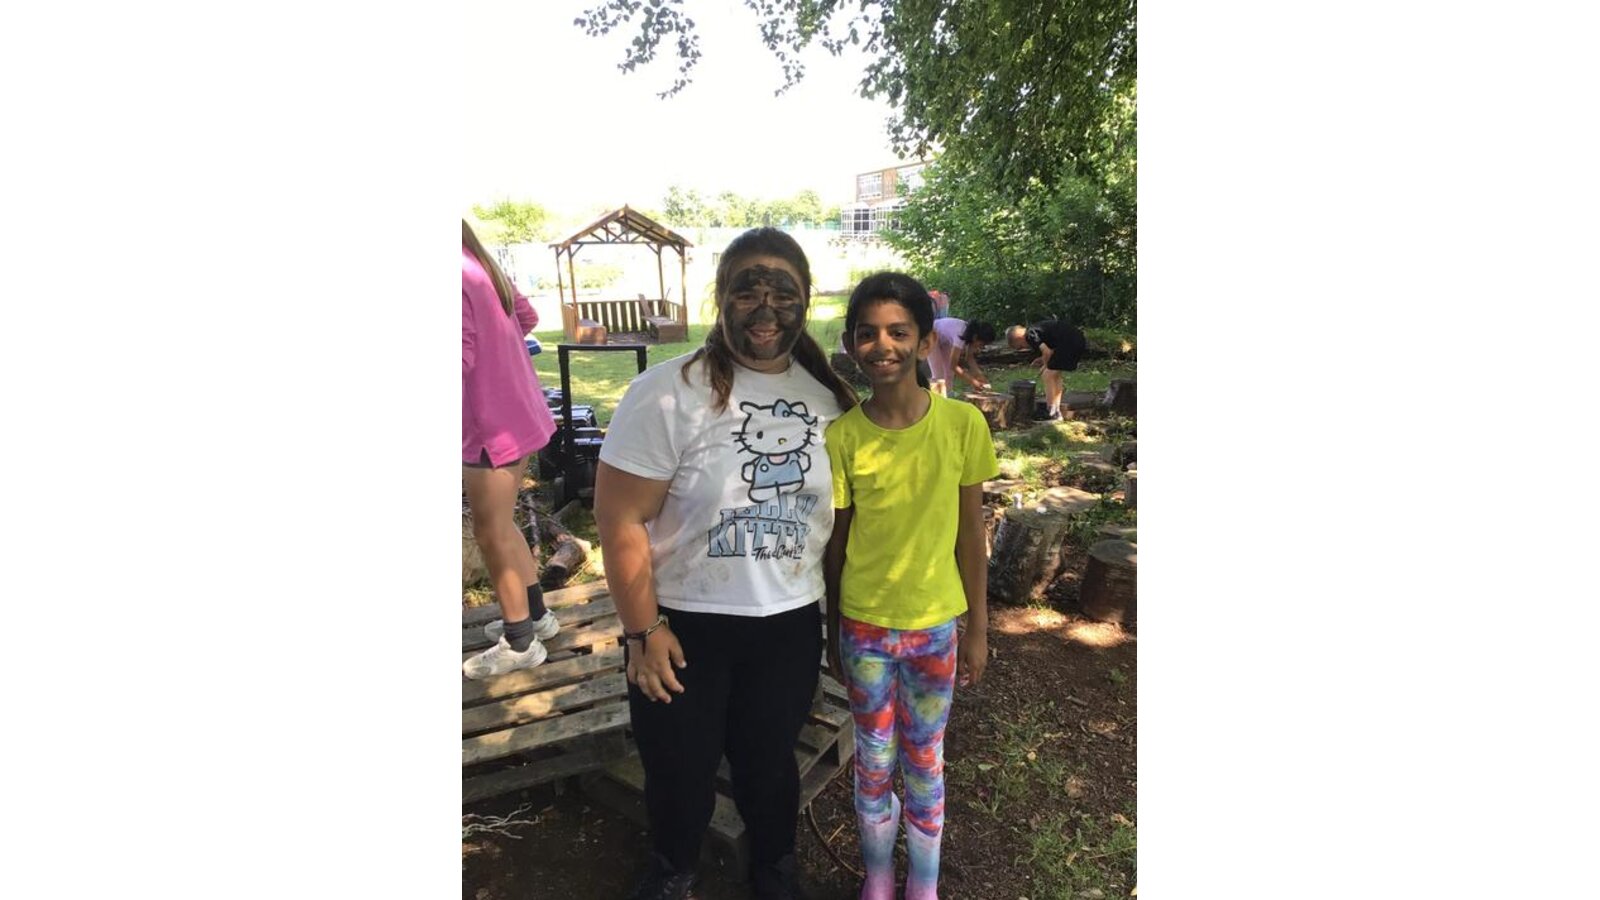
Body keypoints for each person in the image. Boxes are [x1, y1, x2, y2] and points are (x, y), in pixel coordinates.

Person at [593, 228, 859, 900]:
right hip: (683, 627)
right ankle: (673, 872)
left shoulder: (830, 402)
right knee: (679, 768)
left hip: (787, 625)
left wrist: (841, 625)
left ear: (806, 301)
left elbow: (844, 524)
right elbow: (620, 518)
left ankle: (774, 870)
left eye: (783, 293)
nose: (766, 308)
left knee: (769, 766)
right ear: (720, 297)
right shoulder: (666, 393)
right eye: (748, 290)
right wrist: (642, 630)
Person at [824, 272, 999, 900]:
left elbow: (970, 537)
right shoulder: (843, 438)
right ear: (851, 344)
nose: (883, 346)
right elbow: (837, 545)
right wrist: (831, 631)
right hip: (864, 629)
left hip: (934, 631)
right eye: (867, 333)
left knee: (924, 759)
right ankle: (878, 874)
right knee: (873, 759)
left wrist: (977, 629)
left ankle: (923, 880)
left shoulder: (962, 426)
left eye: (899, 332)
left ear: (925, 341)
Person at [461, 220, 561, 679]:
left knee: (490, 532)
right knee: (502, 525)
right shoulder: (478, 262)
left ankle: (520, 642)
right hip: (518, 413)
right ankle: (535, 617)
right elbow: (527, 316)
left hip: (488, 425)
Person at [1006, 319, 1089, 421]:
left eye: (1020, 346)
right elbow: (1051, 348)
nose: (1025, 347)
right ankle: (1056, 410)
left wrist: (1045, 365)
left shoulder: (1029, 335)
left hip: (1068, 343)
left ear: (1017, 338)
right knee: (1055, 375)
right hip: (1076, 340)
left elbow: (1047, 352)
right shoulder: (1036, 329)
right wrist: (1042, 359)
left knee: (1047, 375)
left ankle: (1051, 410)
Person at [926, 317, 996, 395]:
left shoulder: (971, 335)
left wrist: (980, 376)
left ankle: (948, 393)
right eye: (981, 344)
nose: (980, 347)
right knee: (938, 374)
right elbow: (953, 366)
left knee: (949, 373)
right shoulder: (961, 334)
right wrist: (972, 381)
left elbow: (970, 358)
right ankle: (937, 396)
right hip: (931, 334)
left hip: (944, 339)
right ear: (976, 337)